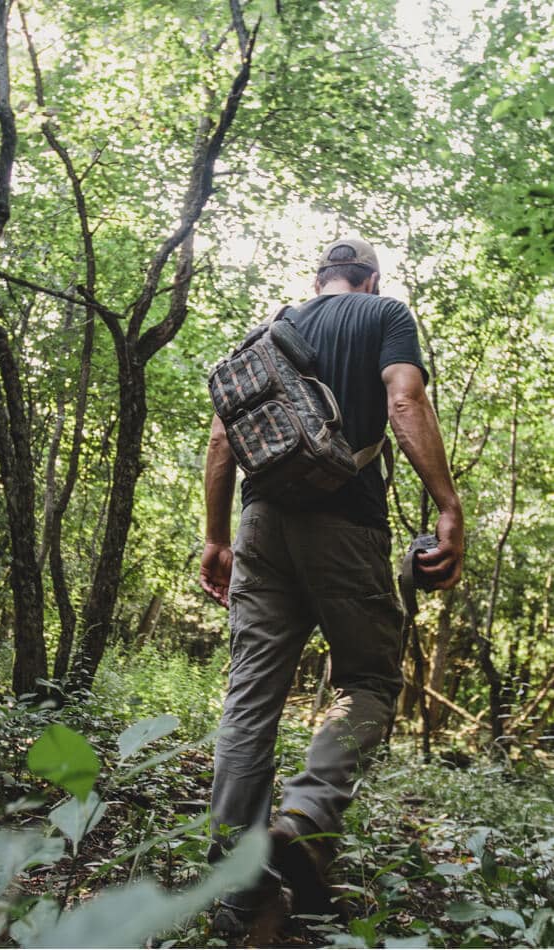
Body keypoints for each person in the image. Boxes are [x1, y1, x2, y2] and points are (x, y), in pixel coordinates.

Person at [200, 237, 464, 935]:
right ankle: (308, 814)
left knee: (251, 691)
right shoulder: (384, 314)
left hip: (261, 526)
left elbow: (224, 441)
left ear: (316, 280)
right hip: (347, 519)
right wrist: (446, 505)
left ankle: (236, 889)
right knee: (369, 680)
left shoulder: (269, 331)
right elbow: (404, 402)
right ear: (370, 279)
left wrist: (217, 537)